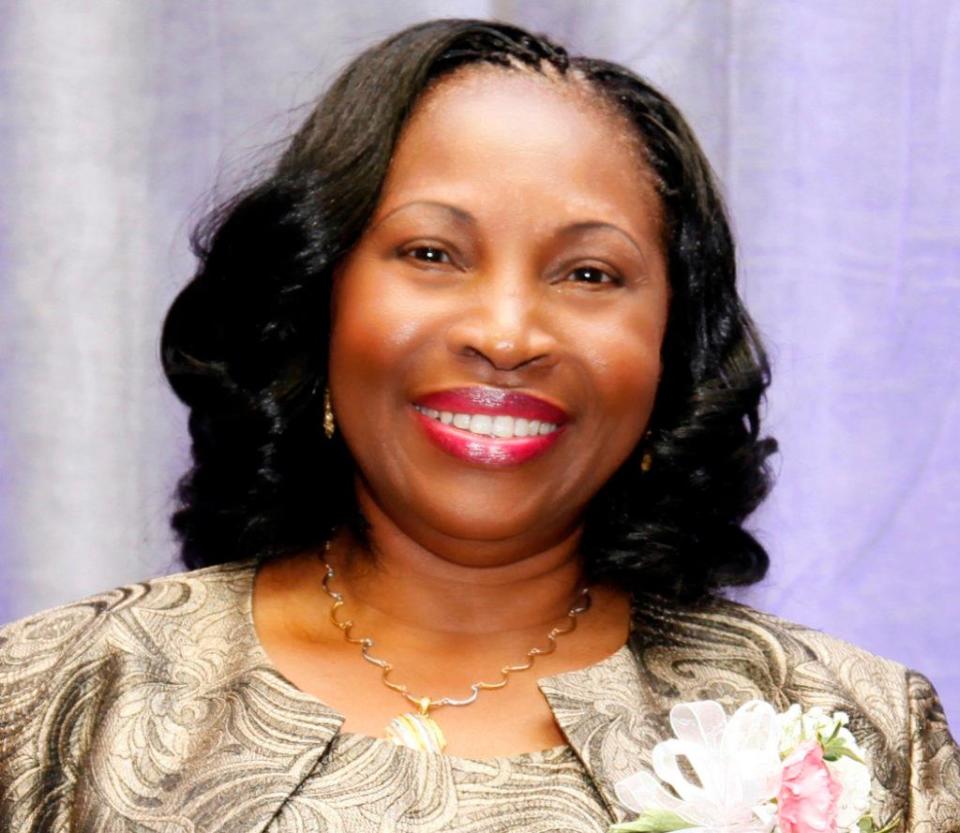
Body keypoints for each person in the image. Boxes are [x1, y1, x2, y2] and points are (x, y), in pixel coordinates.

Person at [0, 18, 957, 832]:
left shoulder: (851, 733)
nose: (506, 334)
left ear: (672, 352)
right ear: (317, 300)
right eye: (432, 252)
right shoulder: (64, 699)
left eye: (589, 274)